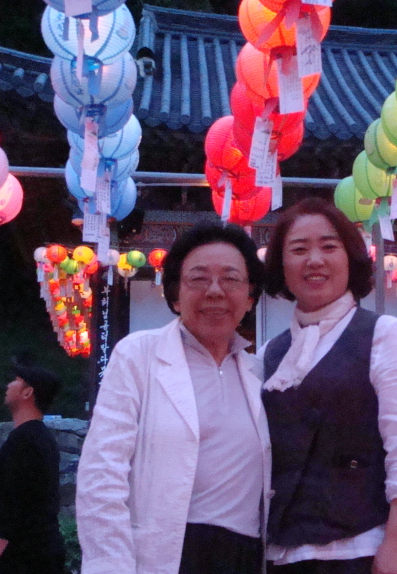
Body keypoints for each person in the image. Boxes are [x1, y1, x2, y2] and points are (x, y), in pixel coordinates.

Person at [76, 223, 271, 574]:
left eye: (231, 279)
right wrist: (110, 564)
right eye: (198, 279)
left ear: (250, 296)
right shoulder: (139, 356)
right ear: (176, 295)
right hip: (165, 554)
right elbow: (102, 472)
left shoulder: (260, 373)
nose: (215, 291)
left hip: (243, 555)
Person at [261, 197, 397, 574]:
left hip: (361, 549)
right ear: (281, 265)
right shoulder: (269, 354)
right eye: (299, 250)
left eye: (328, 246)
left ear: (350, 258)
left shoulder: (383, 336)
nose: (314, 260)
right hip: (280, 555)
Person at [0, 360, 64, 574]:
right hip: (39, 551)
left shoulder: (25, 440)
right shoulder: (39, 437)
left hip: (26, 557)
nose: (8, 385)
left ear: (27, 392)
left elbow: (14, 501)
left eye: (16, 380)